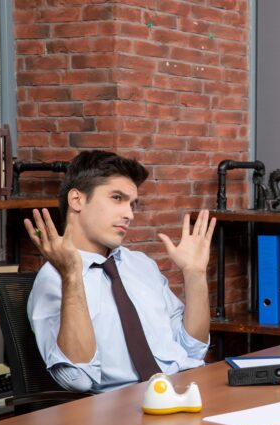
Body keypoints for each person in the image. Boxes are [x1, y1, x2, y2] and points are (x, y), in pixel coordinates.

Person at [24, 150, 216, 393]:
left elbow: (192, 349)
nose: (129, 214)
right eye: (117, 198)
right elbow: (77, 380)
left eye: (132, 204)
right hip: (123, 410)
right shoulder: (54, 279)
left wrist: (195, 274)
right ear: (77, 200)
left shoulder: (141, 265)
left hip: (184, 388)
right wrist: (72, 275)